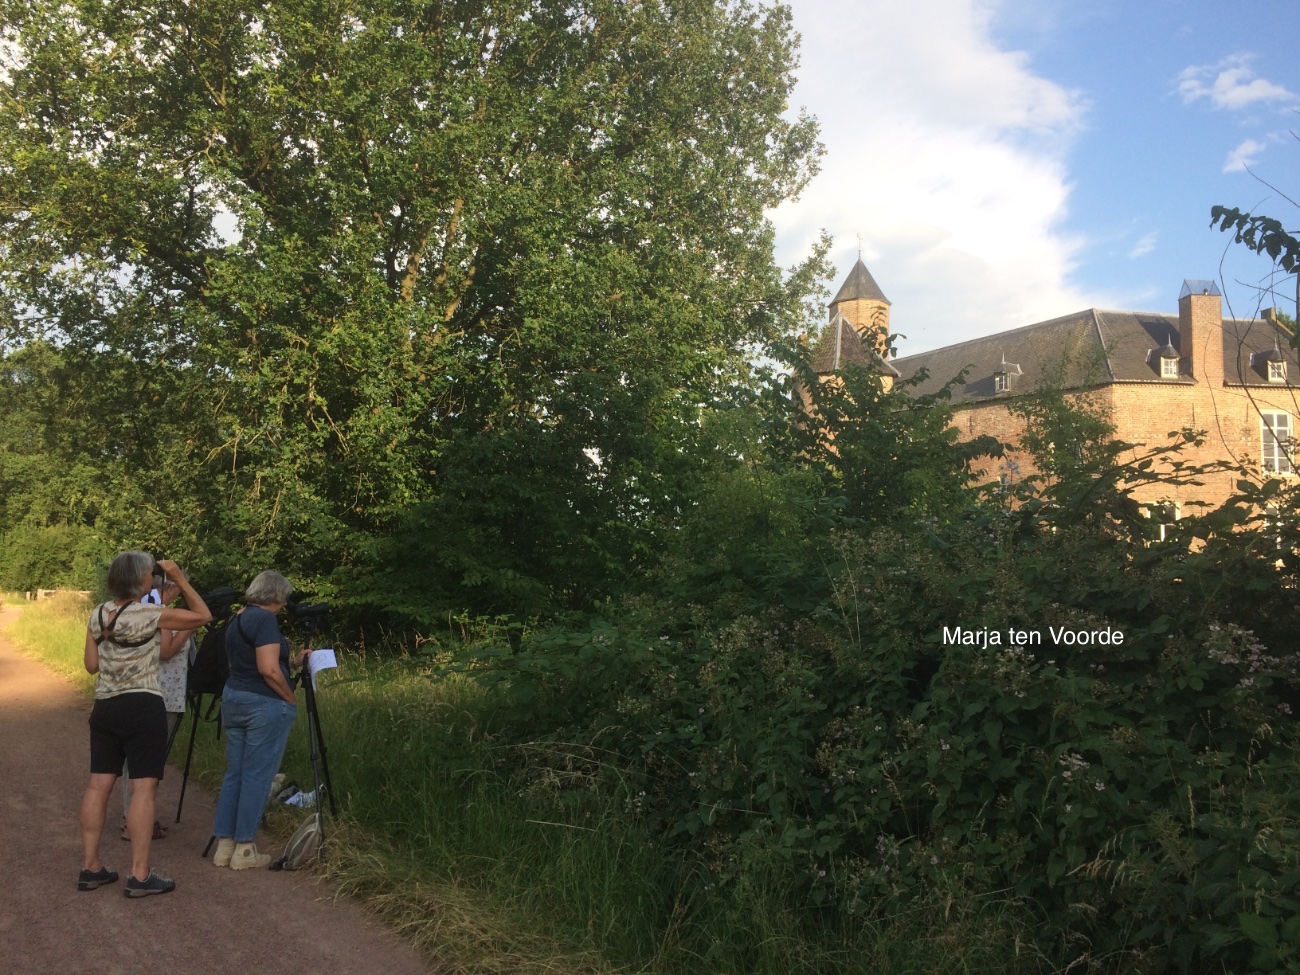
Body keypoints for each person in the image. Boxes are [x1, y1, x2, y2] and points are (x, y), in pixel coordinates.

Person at [79, 552, 211, 897]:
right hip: (143, 705)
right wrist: (180, 579)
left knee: (98, 786)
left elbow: (92, 666)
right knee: (142, 789)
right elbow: (204, 615)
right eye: (150, 575)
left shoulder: (97, 614)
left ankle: (91, 867)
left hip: (105, 705)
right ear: (141, 581)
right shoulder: (152, 615)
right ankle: (139, 874)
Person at [210, 570, 308, 870]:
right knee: (257, 776)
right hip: (263, 704)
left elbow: (251, 660)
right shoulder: (265, 620)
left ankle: (224, 846)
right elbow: (267, 669)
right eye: (284, 598)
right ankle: (245, 849)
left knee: (236, 774)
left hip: (235, 697)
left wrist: (292, 661)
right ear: (276, 595)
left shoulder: (238, 618)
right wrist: (289, 699)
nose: (284, 604)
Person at [119, 579, 201, 840]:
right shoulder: (156, 613)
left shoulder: (145, 611)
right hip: (160, 694)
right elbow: (166, 652)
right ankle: (133, 820)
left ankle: (140, 817)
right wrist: (190, 627)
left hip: (158, 693)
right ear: (170, 588)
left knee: (142, 762)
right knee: (144, 763)